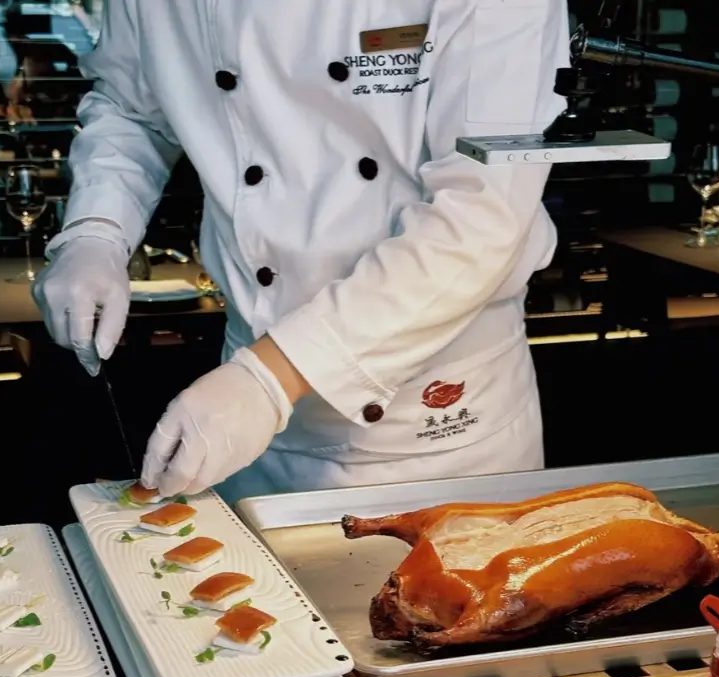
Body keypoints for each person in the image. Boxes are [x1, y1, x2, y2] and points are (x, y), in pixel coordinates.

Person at [33, 1, 571, 507]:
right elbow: (132, 109)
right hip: (241, 418)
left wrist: (271, 378)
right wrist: (96, 228)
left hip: (443, 427)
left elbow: (480, 212)